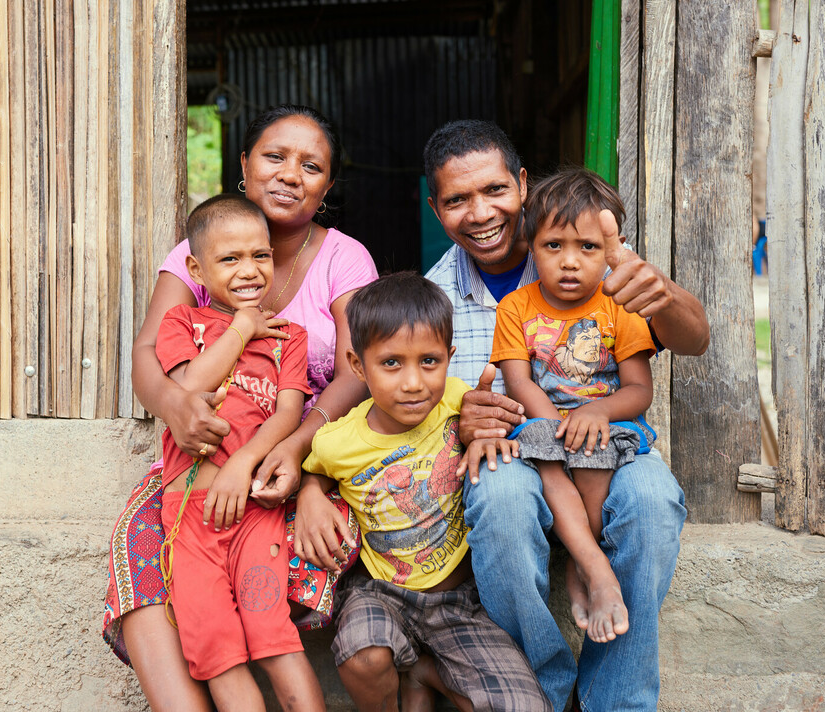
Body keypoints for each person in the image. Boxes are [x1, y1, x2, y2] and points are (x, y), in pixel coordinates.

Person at [420, 120, 709, 712]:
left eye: (494, 190)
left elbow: (693, 340)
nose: (480, 213)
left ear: (522, 185)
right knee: (497, 502)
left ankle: (617, 701)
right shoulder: (432, 298)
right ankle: (537, 694)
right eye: (457, 200)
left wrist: (662, 289)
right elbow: (416, 406)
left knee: (653, 501)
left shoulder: (592, 256)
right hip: (520, 450)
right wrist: (459, 420)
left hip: (609, 439)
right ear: (435, 209)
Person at [103, 105, 377, 710]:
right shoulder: (197, 251)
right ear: (245, 166)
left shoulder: (344, 257)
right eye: (274, 156)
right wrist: (177, 406)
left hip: (304, 453)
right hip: (198, 457)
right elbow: (150, 352)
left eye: (312, 166)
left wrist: (292, 455)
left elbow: (360, 370)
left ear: (327, 187)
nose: (290, 174)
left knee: (276, 587)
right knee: (145, 553)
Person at [300, 272, 550, 711]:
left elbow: (498, 426)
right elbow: (316, 470)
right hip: (378, 594)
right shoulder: (336, 440)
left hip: (461, 601)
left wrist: (491, 432)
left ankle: (422, 671)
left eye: (429, 362)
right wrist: (309, 496)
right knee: (362, 654)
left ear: (450, 358)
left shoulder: (459, 400)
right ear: (358, 366)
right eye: (391, 363)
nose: (414, 382)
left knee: (524, 706)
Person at [152, 195, 323, 710]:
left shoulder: (290, 336)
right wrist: (243, 327)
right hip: (192, 517)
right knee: (216, 649)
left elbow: (288, 413)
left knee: (271, 635)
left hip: (255, 513)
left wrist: (243, 462)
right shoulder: (183, 323)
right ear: (196, 268)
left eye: (261, 256)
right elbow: (191, 388)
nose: (249, 270)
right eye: (230, 259)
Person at [490, 168, 656, 646]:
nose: (569, 262)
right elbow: (518, 380)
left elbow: (638, 390)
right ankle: (594, 567)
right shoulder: (515, 308)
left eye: (587, 247)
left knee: (592, 452)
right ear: (530, 245)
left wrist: (595, 414)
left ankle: (581, 568)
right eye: (553, 246)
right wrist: (553, 426)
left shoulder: (620, 307)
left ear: (612, 247)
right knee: (546, 456)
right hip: (542, 419)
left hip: (609, 422)